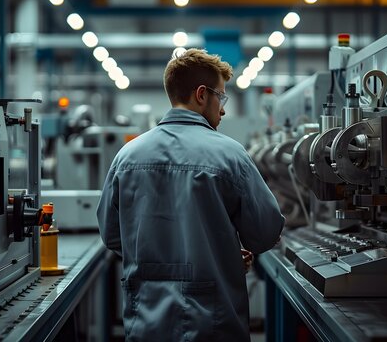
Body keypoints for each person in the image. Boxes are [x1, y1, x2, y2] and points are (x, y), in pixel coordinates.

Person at [97, 48, 285, 342]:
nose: (223, 109)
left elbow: (111, 235)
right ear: (201, 95)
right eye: (221, 97)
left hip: (146, 321)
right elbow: (264, 232)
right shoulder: (230, 154)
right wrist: (219, 256)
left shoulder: (127, 156)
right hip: (212, 323)